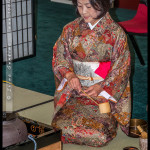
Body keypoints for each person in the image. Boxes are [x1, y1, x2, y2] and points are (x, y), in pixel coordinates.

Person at [51, 0, 131, 147]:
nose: (83, 12)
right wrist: (69, 75)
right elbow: (59, 57)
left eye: (88, 6)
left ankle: (109, 121)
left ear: (103, 4)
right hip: (75, 92)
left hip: (101, 96)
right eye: (80, 6)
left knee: (98, 135)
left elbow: (121, 68)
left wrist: (102, 86)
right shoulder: (70, 29)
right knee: (59, 128)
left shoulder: (115, 33)